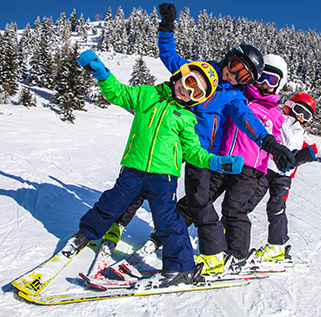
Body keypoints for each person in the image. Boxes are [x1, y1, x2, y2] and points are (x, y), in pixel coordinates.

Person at [102, 3, 295, 268]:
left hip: (200, 152)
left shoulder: (234, 97)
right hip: (169, 142)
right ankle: (116, 225)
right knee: (142, 184)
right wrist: (167, 27)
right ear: (229, 57)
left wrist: (270, 144)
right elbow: (169, 56)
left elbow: (247, 120)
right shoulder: (199, 72)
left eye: (244, 77)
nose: (236, 76)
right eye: (237, 66)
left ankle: (212, 252)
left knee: (198, 199)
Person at [62, 49, 245, 288]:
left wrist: (215, 161)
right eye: (189, 82)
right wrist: (102, 74)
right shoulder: (147, 94)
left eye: (196, 92)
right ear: (180, 74)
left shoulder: (186, 118)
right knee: (112, 203)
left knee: (168, 220)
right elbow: (118, 94)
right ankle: (86, 233)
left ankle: (181, 266)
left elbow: (193, 152)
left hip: (164, 176)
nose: (187, 91)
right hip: (133, 168)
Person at [186, 54, 291, 273]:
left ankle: (237, 255)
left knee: (234, 210)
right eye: (261, 77)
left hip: (250, 169)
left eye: (272, 80)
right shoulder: (236, 96)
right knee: (199, 198)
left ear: (279, 85)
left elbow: (279, 141)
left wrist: (282, 154)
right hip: (222, 160)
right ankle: (164, 234)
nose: (264, 83)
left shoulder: (276, 114)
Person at [248, 92, 321, 262]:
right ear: (289, 106)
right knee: (249, 199)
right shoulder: (278, 121)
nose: (300, 117)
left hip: (284, 176)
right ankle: (231, 231)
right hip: (265, 169)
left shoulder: (303, 136)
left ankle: (277, 246)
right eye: (299, 110)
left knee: (276, 207)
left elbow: (318, 149)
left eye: (306, 115)